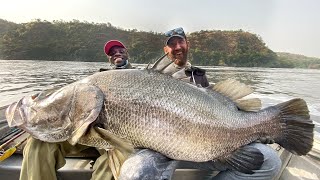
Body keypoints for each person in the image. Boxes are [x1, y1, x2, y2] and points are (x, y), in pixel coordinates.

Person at [119, 27, 281, 180]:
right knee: (136, 172)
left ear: (187, 44)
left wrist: (257, 130)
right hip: (155, 149)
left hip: (202, 146)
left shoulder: (199, 76)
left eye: (180, 42)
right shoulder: (148, 75)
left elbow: (221, 112)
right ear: (165, 50)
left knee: (270, 161)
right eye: (172, 44)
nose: (177, 47)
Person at [20, 40, 133, 180]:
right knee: (38, 143)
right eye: (111, 52)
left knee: (110, 166)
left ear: (127, 53)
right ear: (108, 58)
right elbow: (71, 96)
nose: (116, 53)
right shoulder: (95, 77)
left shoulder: (140, 77)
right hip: (85, 130)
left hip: (119, 136)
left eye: (121, 50)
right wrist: (45, 99)